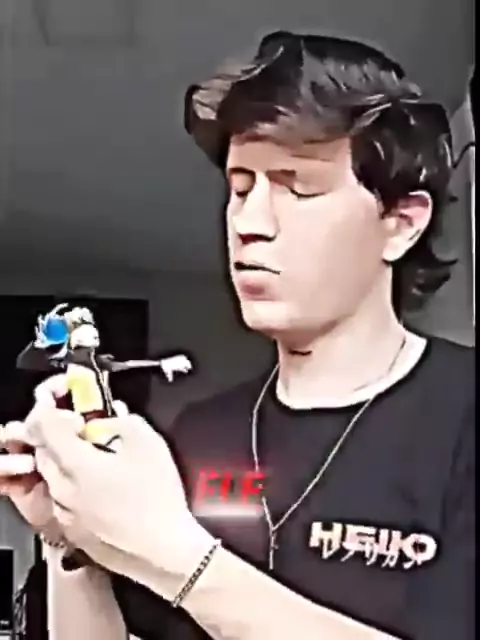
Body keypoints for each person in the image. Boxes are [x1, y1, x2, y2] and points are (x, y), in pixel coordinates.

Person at [0, 30, 474, 640]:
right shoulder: (196, 433)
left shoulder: (463, 415)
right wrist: (72, 535)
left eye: (297, 188)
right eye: (241, 188)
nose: (250, 223)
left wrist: (179, 557)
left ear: (400, 224)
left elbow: (175, 558)